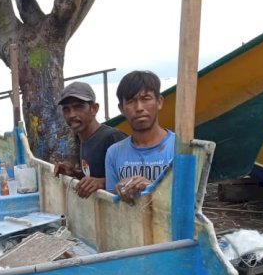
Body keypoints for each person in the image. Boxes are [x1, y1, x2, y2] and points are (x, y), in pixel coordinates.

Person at [105, 70, 175, 205]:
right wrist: (118, 190)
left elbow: (190, 203)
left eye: (146, 99)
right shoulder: (113, 153)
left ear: (159, 102)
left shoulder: (180, 148)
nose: (139, 108)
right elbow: (111, 204)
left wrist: (152, 189)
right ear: (121, 109)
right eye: (131, 101)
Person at [53, 81, 126, 198]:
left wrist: (101, 182)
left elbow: (131, 180)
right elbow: (92, 174)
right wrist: (73, 173)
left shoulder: (112, 137)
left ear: (94, 109)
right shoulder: (81, 139)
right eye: (66, 109)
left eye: (78, 107)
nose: (71, 115)